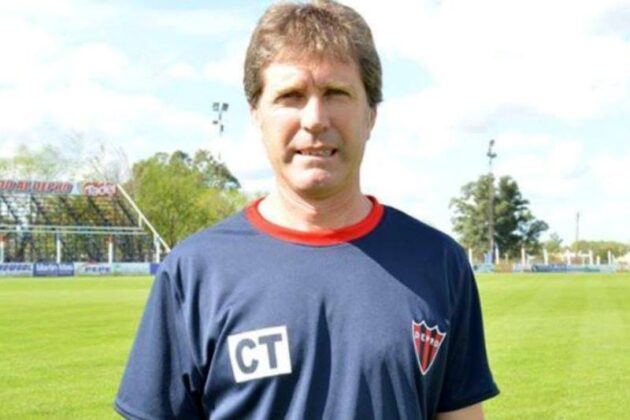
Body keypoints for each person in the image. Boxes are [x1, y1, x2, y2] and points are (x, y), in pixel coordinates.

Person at [115, 1, 499, 418]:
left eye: (336, 93)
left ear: (371, 114)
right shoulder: (194, 273)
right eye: (291, 96)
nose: (315, 119)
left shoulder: (438, 262)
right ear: (256, 114)